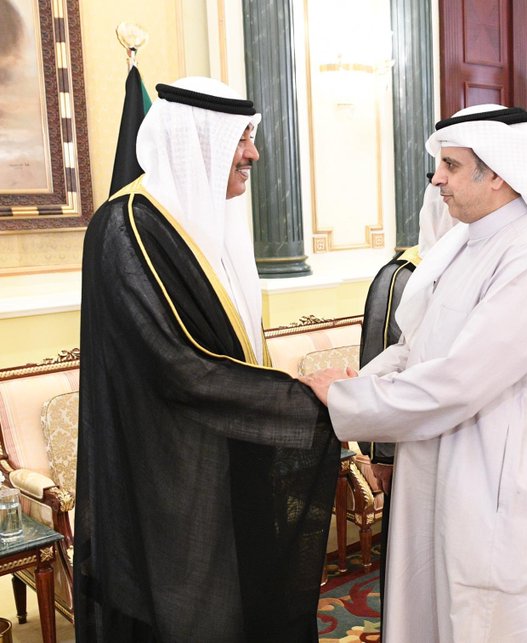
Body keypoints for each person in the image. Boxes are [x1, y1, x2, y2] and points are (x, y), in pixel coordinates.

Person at [301, 104, 527, 642]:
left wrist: (347, 401)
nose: (436, 178)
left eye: (452, 166)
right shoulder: (467, 244)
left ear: (498, 172)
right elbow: (419, 348)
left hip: (492, 480)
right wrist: (358, 383)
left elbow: (460, 378)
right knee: (432, 611)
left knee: (483, 620)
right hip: (440, 466)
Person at [74, 77, 339, 643]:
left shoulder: (210, 223)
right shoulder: (126, 226)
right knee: (194, 616)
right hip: (171, 475)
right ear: (197, 141)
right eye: (240, 138)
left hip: (234, 456)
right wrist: (304, 402)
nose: (253, 154)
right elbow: (178, 367)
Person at [357, 176, 455, 617]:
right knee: (406, 561)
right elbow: (378, 360)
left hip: (447, 447)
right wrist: (382, 455)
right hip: (404, 449)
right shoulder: (402, 275)